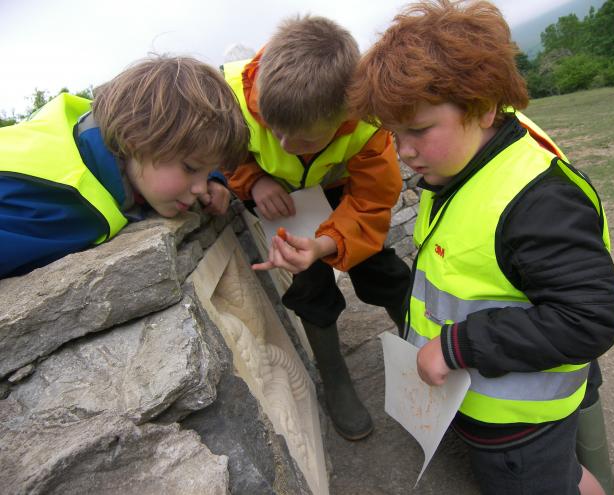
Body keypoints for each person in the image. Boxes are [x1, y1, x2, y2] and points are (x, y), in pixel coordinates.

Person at [348, 1, 614, 493]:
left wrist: (457, 347)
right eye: (393, 133)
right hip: (479, 403)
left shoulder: (539, 201)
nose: (403, 151)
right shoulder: (458, 168)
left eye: (418, 130)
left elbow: (589, 319)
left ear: (483, 107)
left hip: (521, 425)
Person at [222, 15, 411, 441]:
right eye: (276, 130)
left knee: (382, 270)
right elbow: (225, 150)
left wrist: (327, 241)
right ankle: (335, 377)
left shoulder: (368, 121)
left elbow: (372, 199)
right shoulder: (231, 98)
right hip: (284, 203)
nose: (286, 146)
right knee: (309, 287)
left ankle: (419, 341)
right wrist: (255, 179)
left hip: (343, 191)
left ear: (344, 115)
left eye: (305, 140)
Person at [0, 55, 248, 279]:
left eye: (207, 171)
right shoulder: (52, 199)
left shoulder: (104, 133)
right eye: (192, 168)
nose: (199, 189)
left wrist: (214, 177)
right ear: (134, 140)